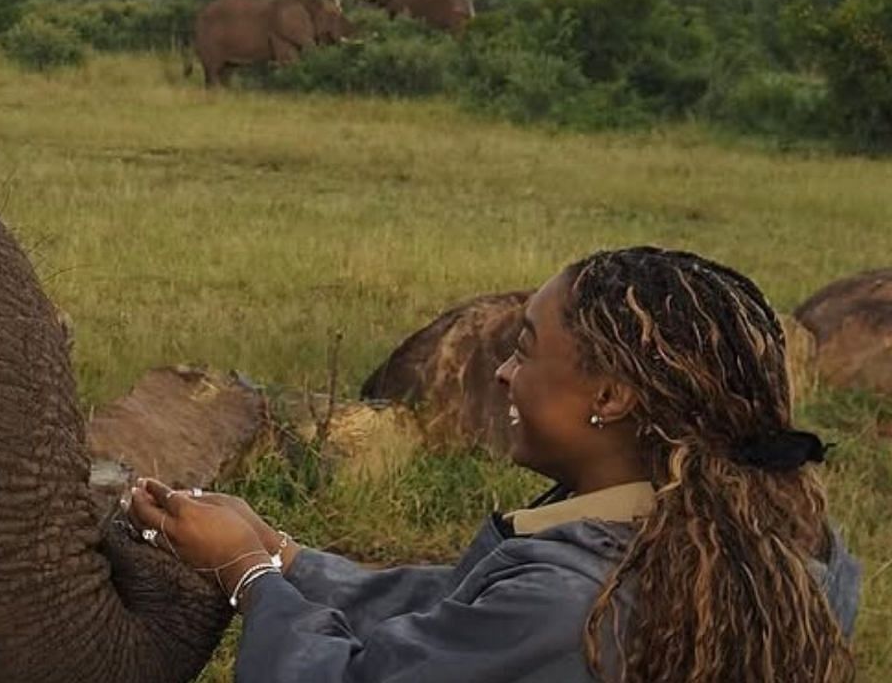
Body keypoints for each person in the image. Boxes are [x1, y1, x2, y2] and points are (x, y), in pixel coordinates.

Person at [127, 246, 860, 682]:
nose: (504, 373)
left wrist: (248, 580)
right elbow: (460, 617)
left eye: (526, 349)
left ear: (609, 396)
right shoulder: (779, 544)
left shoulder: (571, 600)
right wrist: (284, 555)